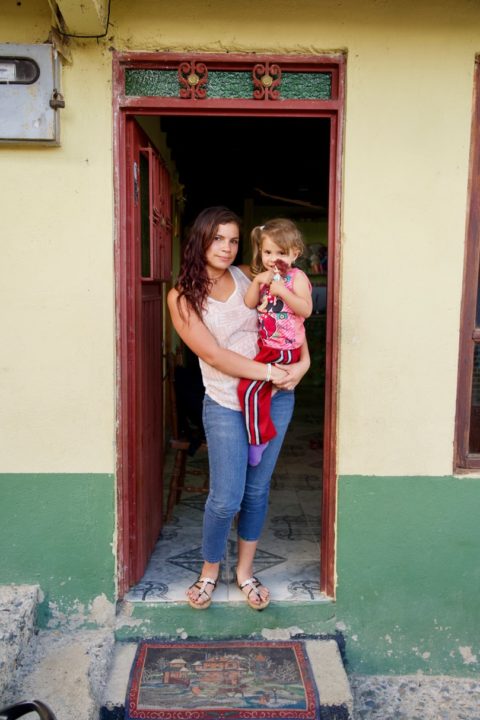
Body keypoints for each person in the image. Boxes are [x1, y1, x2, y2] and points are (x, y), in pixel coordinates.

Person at [167, 206, 310, 611]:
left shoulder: (251, 275)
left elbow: (289, 323)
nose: (227, 248)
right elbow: (213, 355)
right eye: (218, 239)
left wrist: (303, 363)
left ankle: (244, 573)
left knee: (256, 491)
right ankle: (209, 571)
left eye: (233, 240)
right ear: (200, 240)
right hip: (227, 403)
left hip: (276, 398)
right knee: (226, 498)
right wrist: (269, 371)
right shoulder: (181, 296)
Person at [238, 220, 313, 466]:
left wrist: (283, 292)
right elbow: (250, 303)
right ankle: (260, 433)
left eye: (281, 253)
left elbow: (306, 309)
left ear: (295, 253)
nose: (273, 258)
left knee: (249, 390)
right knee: (256, 392)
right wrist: (259, 281)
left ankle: (260, 438)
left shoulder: (296, 277)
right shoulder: (266, 277)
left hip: (285, 348)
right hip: (268, 347)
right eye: (267, 252)